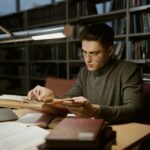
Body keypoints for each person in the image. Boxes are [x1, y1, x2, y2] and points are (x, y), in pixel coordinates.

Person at [27, 23, 143, 123]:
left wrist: (96, 110)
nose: (87, 59)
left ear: (110, 51)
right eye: (84, 52)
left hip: (119, 130)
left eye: (94, 53)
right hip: (90, 128)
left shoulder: (129, 70)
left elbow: (134, 109)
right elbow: (69, 98)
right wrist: (52, 97)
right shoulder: (84, 72)